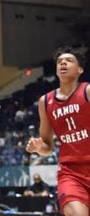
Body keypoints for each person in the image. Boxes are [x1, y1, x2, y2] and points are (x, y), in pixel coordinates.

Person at [26, 46, 90, 216]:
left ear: (80, 69)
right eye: (60, 62)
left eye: (69, 61)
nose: (63, 63)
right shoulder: (45, 101)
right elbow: (47, 146)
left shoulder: (87, 91)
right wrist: (39, 147)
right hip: (71, 173)